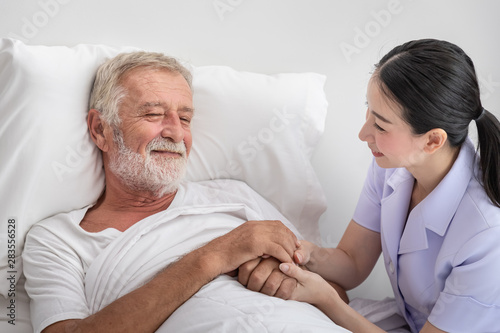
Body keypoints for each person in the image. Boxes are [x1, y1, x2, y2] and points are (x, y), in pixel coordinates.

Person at [22, 52, 347, 333]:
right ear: (100, 129)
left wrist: (285, 278)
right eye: (152, 114)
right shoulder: (57, 240)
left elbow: (338, 296)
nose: (176, 132)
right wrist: (217, 255)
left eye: (186, 118)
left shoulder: (236, 197)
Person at [243, 39, 500, 332]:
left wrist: (326, 299)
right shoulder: (392, 167)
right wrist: (302, 254)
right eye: (369, 111)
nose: (363, 133)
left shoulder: (488, 237)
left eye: (380, 125)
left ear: (432, 140)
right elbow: (352, 262)